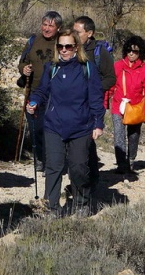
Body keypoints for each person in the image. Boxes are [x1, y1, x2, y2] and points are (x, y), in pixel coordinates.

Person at [26, 28, 104, 217]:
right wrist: (34, 101)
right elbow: (42, 91)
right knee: (53, 167)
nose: (64, 50)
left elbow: (96, 98)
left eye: (68, 46)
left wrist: (98, 123)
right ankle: (51, 207)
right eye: (60, 46)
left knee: (78, 168)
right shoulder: (51, 68)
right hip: (54, 125)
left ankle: (81, 202)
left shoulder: (87, 68)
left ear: (76, 47)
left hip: (81, 127)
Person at [71, 17, 114, 191]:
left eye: (78, 32)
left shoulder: (99, 52)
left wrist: (92, 89)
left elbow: (110, 78)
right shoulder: (69, 49)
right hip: (72, 104)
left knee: (86, 140)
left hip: (92, 105)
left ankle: (89, 180)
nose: (74, 35)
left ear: (89, 33)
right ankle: (85, 177)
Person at [16, 10, 63, 165]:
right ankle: (40, 158)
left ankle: (50, 159)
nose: (46, 29)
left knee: (48, 128)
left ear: (58, 28)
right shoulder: (33, 40)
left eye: (51, 26)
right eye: (44, 24)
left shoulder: (63, 44)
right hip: (34, 91)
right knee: (35, 127)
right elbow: (22, 61)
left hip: (55, 94)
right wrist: (24, 69)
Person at [109, 35, 145, 179]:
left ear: (140, 52)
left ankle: (131, 160)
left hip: (136, 107)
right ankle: (122, 165)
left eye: (135, 51)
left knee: (133, 136)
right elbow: (110, 86)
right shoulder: (117, 66)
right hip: (118, 106)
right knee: (119, 136)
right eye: (129, 50)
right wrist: (104, 102)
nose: (131, 53)